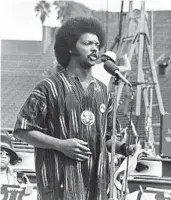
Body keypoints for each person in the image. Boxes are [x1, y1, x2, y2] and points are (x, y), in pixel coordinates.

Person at [13, 16, 134, 200]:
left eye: (97, 44)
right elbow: (22, 129)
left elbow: (107, 138)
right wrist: (60, 145)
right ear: (70, 47)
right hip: (59, 185)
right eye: (88, 43)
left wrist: (124, 147)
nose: (94, 48)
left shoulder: (103, 92)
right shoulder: (49, 88)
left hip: (95, 188)